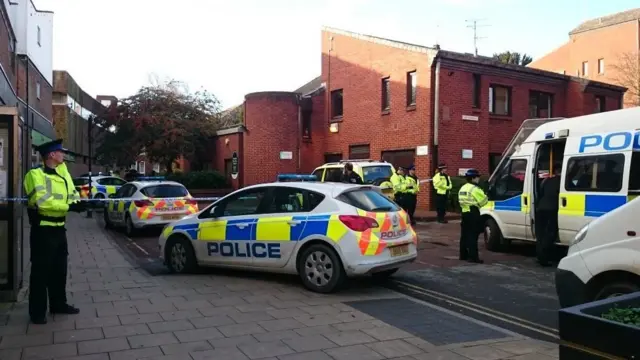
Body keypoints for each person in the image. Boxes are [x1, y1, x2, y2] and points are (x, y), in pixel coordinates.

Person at [25, 139, 86, 324]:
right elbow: (44, 203)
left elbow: (71, 191)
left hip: (60, 229)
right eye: (60, 152)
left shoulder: (62, 170)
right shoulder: (34, 175)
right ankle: (37, 312)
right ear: (51, 155)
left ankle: (58, 304)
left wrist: (80, 202)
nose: (63, 155)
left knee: (59, 270)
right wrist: (69, 207)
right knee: (40, 272)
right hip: (43, 229)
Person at [458, 169, 488, 263]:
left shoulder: (463, 188)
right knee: (473, 236)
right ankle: (473, 257)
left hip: (464, 212)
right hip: (473, 213)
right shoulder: (475, 189)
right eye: (478, 177)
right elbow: (483, 201)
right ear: (473, 178)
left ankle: (463, 255)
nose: (478, 179)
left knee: (464, 235)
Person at [536, 164, 561, 266]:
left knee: (541, 234)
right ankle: (545, 258)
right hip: (552, 209)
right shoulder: (561, 181)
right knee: (550, 234)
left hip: (541, 208)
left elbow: (541, 192)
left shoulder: (546, 181)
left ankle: (540, 256)